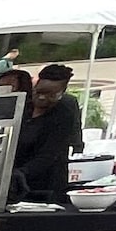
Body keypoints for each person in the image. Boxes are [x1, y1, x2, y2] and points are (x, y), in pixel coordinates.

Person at [10, 63, 84, 201]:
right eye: (39, 92)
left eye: (52, 95)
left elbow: (49, 154)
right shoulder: (23, 106)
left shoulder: (64, 113)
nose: (43, 98)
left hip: (46, 185)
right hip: (14, 181)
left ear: (63, 92)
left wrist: (21, 172)